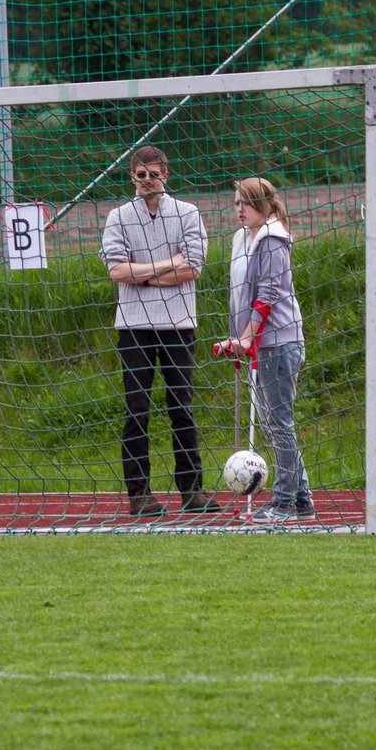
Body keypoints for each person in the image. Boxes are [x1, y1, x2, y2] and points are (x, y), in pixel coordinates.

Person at [99, 145, 221, 516]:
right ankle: (140, 494)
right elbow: (116, 271)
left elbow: (195, 267)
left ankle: (191, 490)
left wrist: (143, 274)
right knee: (137, 409)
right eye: (140, 175)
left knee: (180, 408)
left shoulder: (188, 213)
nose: (147, 181)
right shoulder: (118, 217)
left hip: (178, 324)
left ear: (165, 175)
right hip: (133, 325)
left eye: (154, 174)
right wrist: (166, 266)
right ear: (132, 178)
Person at [216, 176, 314, 524]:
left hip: (280, 340)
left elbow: (266, 296)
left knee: (279, 422)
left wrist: (246, 338)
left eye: (245, 202)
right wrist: (237, 339)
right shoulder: (242, 238)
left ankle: (285, 501)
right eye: (236, 202)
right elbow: (239, 295)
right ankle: (302, 500)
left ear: (265, 205)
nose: (239, 209)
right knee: (275, 423)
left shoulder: (273, 238)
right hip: (259, 341)